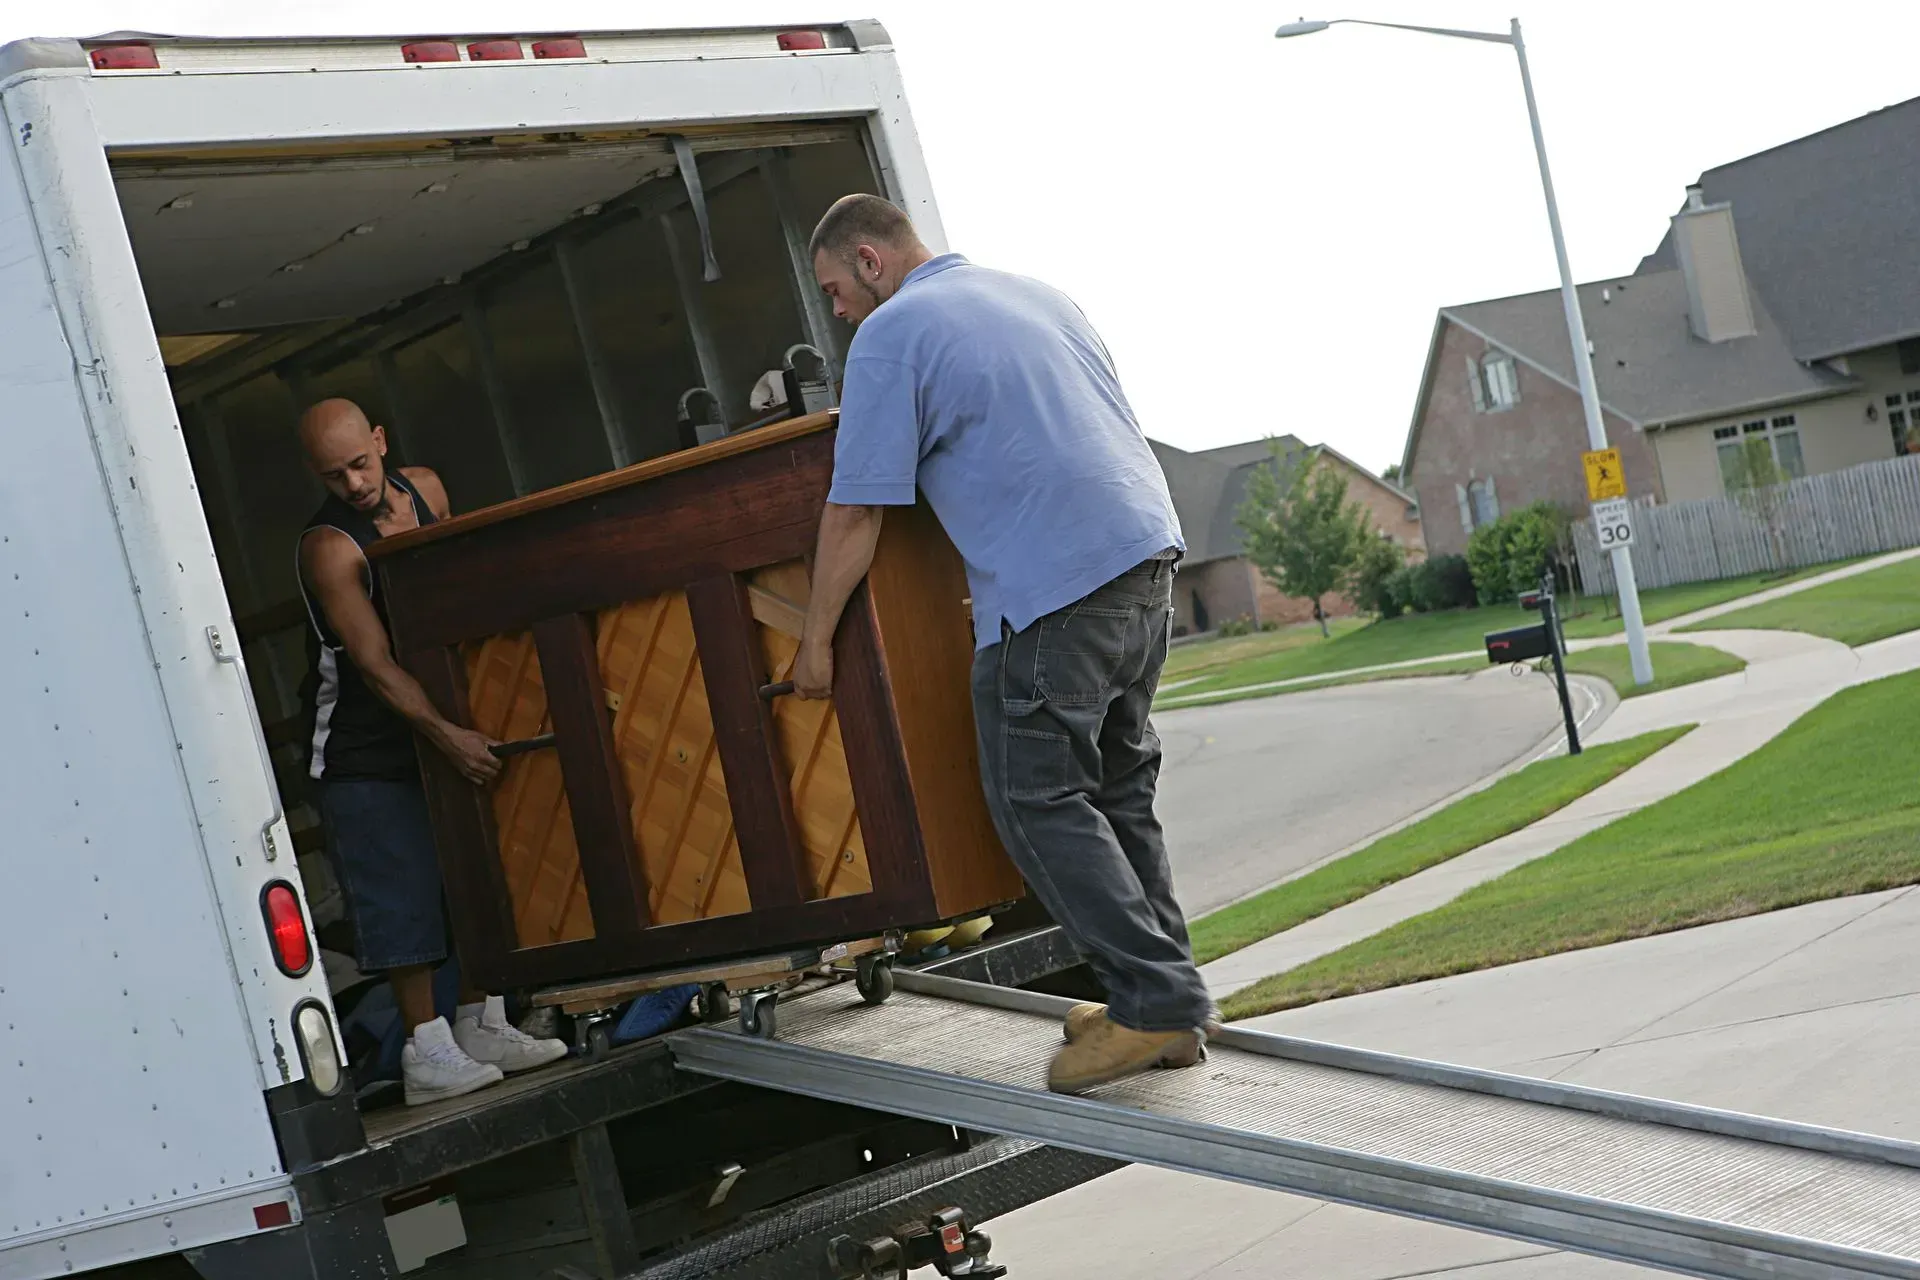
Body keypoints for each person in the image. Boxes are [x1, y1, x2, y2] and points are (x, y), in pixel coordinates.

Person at [792, 195, 1215, 1095]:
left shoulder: (893, 332)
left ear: (870, 261)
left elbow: (858, 509)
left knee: (1035, 798)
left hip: (1053, 589)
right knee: (1117, 790)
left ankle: (1153, 999)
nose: (835, 312)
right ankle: (1166, 1004)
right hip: (1147, 560)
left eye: (834, 289)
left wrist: (815, 642)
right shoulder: (1037, 295)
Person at [295, 399, 568, 1105]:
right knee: (403, 893)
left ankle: (482, 1023)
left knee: (473, 873)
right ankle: (426, 1049)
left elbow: (458, 594)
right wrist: (449, 736)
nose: (354, 485)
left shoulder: (427, 490)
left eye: (360, 464)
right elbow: (375, 665)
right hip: (363, 749)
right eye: (335, 476)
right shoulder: (330, 546)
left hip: (441, 717)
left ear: (381, 442)